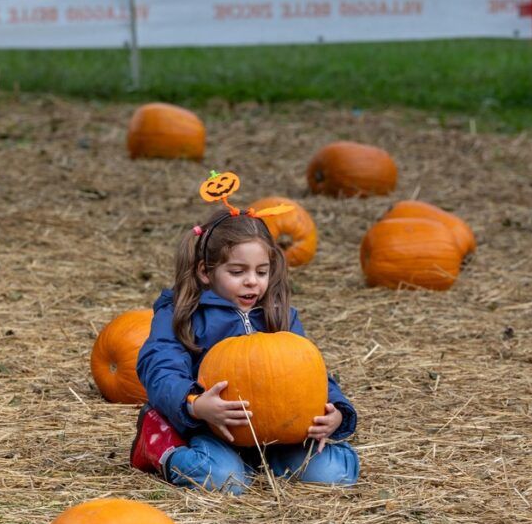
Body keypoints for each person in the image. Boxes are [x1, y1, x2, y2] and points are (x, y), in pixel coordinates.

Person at [129, 183, 359, 493]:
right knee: (225, 480)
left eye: (261, 272)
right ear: (205, 272)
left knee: (334, 473)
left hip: (278, 435)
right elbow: (160, 367)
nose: (252, 281)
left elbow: (310, 374)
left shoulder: (280, 315)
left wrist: (336, 411)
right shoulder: (182, 313)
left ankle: (257, 463)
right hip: (210, 428)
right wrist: (194, 405)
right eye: (238, 272)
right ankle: (160, 445)